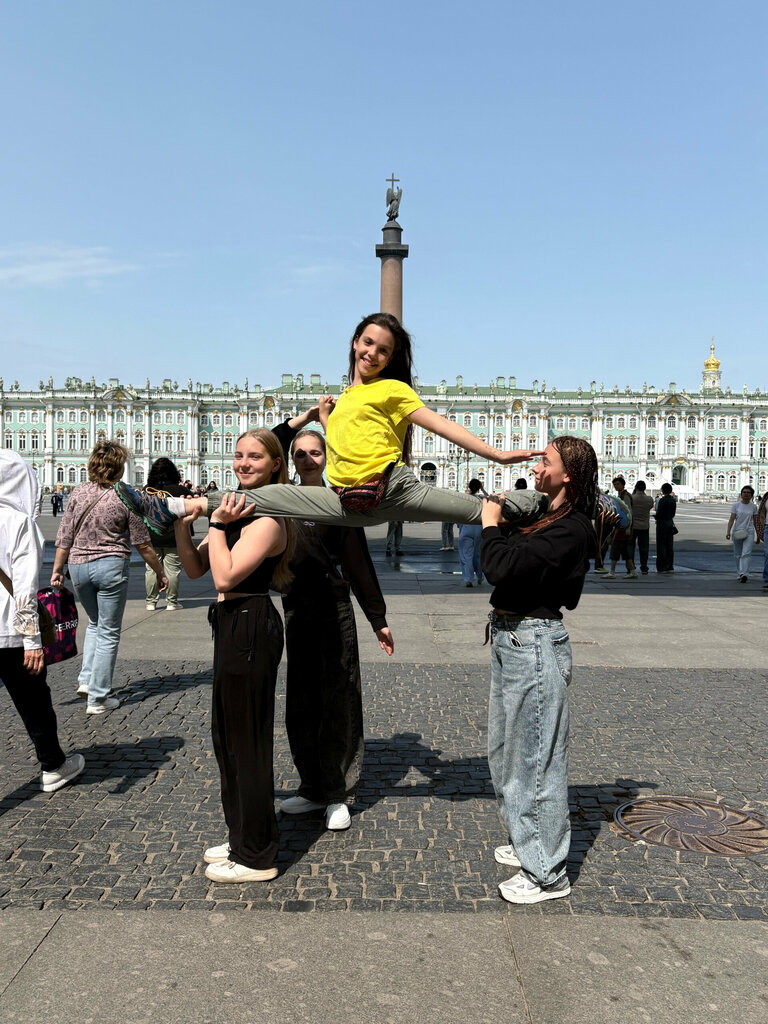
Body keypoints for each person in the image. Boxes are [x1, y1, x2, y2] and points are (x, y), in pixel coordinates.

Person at [114, 313, 546, 534]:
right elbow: (337, 443)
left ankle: (552, 507)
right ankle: (167, 507)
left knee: (480, 512)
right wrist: (322, 418)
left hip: (395, 489)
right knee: (271, 498)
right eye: (367, 342)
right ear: (355, 342)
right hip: (347, 500)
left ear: (392, 358)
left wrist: (496, 454)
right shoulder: (344, 400)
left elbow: (439, 424)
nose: (373, 353)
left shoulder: (393, 391)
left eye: (384, 349)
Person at [482, 436, 597, 905]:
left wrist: (491, 526)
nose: (536, 465)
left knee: (536, 760)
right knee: (506, 753)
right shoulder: (546, 517)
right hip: (511, 638)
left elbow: (500, 567)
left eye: (544, 460)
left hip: (533, 641)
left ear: (567, 473)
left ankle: (547, 872)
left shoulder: (573, 528)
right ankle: (525, 837)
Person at [175, 428, 293, 884]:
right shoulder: (240, 511)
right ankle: (242, 831)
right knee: (226, 737)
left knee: (247, 740)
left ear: (275, 465)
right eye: (239, 455)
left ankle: (257, 855)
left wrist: (219, 524)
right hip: (231, 624)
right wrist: (184, 527)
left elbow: (224, 578)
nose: (243, 464)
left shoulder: (268, 520)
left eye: (255, 457)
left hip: (250, 622)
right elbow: (195, 567)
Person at [273, 427, 394, 831]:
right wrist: (300, 421)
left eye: (315, 453)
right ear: (290, 460)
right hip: (295, 611)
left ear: (327, 458)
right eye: (300, 454)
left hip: (333, 609)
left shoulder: (338, 503)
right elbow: (263, 446)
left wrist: (377, 618)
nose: (308, 459)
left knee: (339, 698)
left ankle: (339, 792)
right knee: (301, 702)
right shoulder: (281, 500)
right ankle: (311, 787)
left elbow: (357, 561)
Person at [50, 441, 168, 714]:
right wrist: (160, 572)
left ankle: (86, 680)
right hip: (111, 567)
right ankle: (98, 698)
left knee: (94, 624)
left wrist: (57, 569)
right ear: (119, 467)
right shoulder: (125, 495)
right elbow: (143, 543)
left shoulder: (78, 492)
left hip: (78, 567)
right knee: (109, 632)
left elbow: (64, 536)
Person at [0, 452, 84, 792]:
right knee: (34, 702)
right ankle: (53, 766)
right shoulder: (19, 524)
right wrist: (33, 641)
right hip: (11, 634)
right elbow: (23, 590)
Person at [144, 458, 191, 611]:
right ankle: (172, 602)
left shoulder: (146, 490)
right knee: (173, 570)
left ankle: (151, 602)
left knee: (151, 569)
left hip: (151, 536)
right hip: (174, 536)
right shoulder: (180, 491)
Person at [726, 485, 759, 583]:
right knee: (737, 554)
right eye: (744, 492)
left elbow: (756, 521)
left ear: (751, 495)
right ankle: (739, 572)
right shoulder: (736, 505)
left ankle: (744, 573)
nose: (746, 494)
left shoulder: (753, 507)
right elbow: (732, 519)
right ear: (741, 494)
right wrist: (728, 531)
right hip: (737, 532)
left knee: (746, 553)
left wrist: (758, 535)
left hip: (749, 532)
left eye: (748, 493)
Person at [607, 476, 636, 579]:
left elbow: (629, 511)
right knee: (624, 551)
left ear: (623, 484)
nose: (616, 486)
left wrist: (628, 527)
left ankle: (612, 572)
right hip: (621, 525)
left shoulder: (625, 496)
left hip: (623, 527)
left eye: (618, 484)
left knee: (615, 548)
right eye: (615, 484)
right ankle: (632, 571)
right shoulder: (621, 495)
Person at [458, 479, 484, 587]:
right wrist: (483, 489)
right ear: (479, 488)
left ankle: (468, 578)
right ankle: (480, 576)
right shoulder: (482, 500)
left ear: (469, 487)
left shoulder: (464, 499)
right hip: (479, 529)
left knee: (466, 555)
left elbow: (459, 516)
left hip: (466, 529)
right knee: (478, 555)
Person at [629, 481, 654, 574]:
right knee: (644, 547)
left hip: (633, 525)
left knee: (631, 547)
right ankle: (644, 566)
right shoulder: (649, 499)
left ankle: (631, 566)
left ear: (635, 487)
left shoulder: (632, 498)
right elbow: (650, 506)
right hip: (644, 526)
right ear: (645, 488)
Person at [654, 482, 677, 573]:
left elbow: (659, 513)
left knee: (661, 545)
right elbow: (673, 513)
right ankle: (670, 565)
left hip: (662, 524)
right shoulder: (673, 500)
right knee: (669, 545)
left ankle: (662, 566)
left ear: (663, 490)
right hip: (669, 523)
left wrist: (656, 517)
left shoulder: (662, 500)